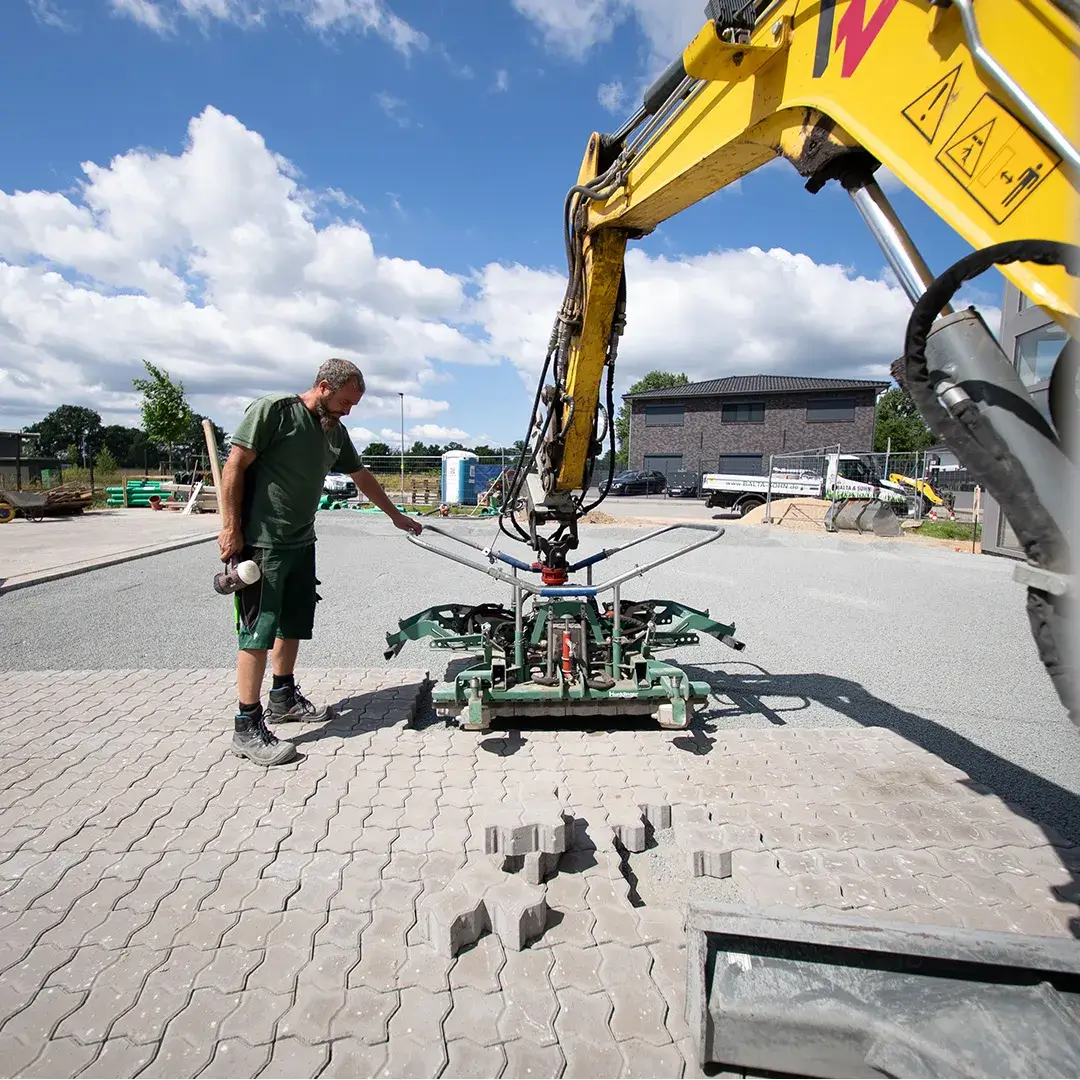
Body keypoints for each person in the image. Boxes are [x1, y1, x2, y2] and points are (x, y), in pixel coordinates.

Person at [217, 357, 423, 766]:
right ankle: (246, 726)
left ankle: (282, 698)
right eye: (346, 402)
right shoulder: (275, 412)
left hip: (300, 542)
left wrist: (395, 515)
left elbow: (361, 475)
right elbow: (234, 465)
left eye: (354, 405)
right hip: (263, 543)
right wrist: (230, 527)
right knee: (258, 631)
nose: (349, 411)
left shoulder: (334, 431)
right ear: (324, 387)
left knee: (292, 623)